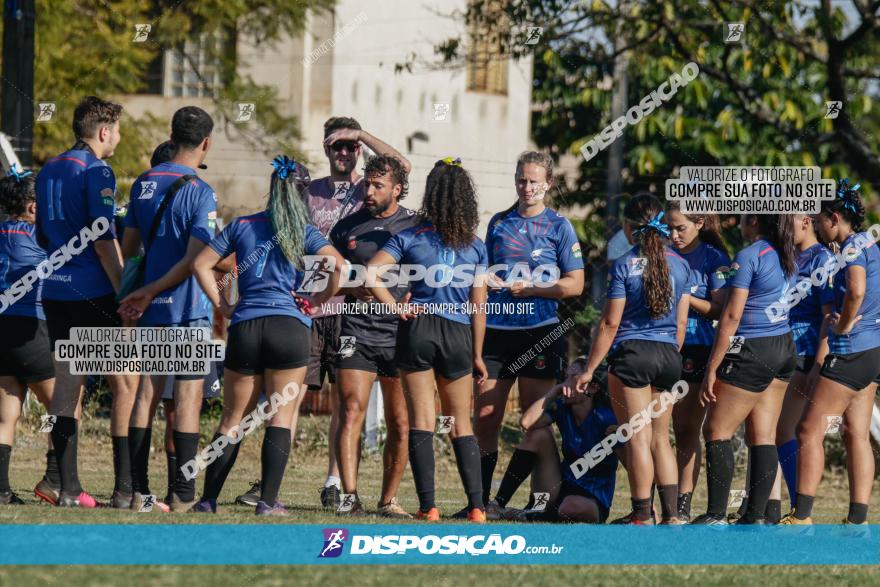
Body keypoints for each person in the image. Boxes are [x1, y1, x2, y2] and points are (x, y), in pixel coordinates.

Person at [236, 116, 411, 509]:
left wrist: (362, 134)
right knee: (290, 399)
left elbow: (402, 167)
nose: (346, 153)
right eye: (338, 146)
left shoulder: (371, 187)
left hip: (350, 311)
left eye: (352, 147)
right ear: (326, 149)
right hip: (308, 309)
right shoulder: (308, 191)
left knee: (343, 404)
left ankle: (333, 483)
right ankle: (270, 485)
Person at [190, 155, 344, 515]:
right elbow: (341, 265)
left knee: (231, 420)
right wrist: (317, 299)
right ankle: (267, 502)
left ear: (272, 189)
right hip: (289, 327)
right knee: (280, 418)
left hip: (245, 326)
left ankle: (208, 500)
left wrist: (224, 305)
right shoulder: (305, 231)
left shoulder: (243, 224)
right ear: (301, 195)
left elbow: (201, 264)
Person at [367, 158, 489, 521]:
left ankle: (429, 507)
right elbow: (478, 306)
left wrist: (394, 308)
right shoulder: (476, 246)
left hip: (418, 328)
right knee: (460, 423)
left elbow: (373, 273)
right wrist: (478, 355)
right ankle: (478, 508)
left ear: (431, 196)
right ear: (465, 198)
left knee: (421, 420)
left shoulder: (409, 236)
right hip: (457, 334)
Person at [35, 96, 137, 508]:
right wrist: (122, 292)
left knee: (67, 387)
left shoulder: (48, 169)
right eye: (117, 131)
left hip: (56, 292)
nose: (117, 138)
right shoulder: (97, 170)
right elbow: (103, 238)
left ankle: (68, 489)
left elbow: (43, 235)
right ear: (103, 131)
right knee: (125, 383)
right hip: (94, 292)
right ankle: (125, 488)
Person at [474, 151, 584, 513]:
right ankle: (479, 503)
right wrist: (487, 281)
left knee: (535, 420)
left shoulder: (559, 226)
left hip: (540, 333)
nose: (527, 186)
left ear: (548, 184)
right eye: (522, 179)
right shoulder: (499, 223)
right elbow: (485, 273)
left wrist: (534, 289)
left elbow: (575, 285)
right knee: (486, 419)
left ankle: (540, 505)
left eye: (535, 180)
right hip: (497, 330)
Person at [119, 107, 217, 512]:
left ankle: (137, 493)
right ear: (206, 143)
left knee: (146, 394)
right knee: (189, 400)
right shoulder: (201, 190)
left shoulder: (143, 182)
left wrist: (142, 293)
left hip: (151, 309)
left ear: (172, 135)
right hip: (189, 308)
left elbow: (126, 251)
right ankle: (182, 495)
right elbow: (196, 261)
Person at [575, 194, 692, 525]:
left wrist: (589, 369)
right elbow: (681, 325)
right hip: (670, 356)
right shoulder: (682, 265)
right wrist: (669, 355)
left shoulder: (625, 264)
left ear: (629, 227)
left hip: (633, 355)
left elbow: (610, 324)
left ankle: (642, 514)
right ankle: (673, 515)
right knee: (661, 438)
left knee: (637, 436)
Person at [782, 180, 880, 525]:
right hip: (872, 353)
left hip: (850, 352)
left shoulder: (852, 246)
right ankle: (857, 522)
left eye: (820, 219)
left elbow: (856, 289)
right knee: (856, 433)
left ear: (834, 218)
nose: (817, 225)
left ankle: (801, 517)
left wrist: (844, 325)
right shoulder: (869, 243)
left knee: (808, 430)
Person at [692, 214, 798, 525]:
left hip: (752, 347)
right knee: (763, 433)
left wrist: (712, 368)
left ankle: (715, 516)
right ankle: (756, 518)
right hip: (783, 345)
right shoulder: (787, 251)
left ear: (753, 220)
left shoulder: (749, 255)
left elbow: (731, 316)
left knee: (716, 430)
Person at [729, 214, 835, 523]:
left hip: (803, 353)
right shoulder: (784, 254)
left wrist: (819, 364)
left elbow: (829, 316)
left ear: (805, 221)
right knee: (766, 431)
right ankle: (768, 508)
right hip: (780, 351)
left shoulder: (821, 258)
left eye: (785, 222)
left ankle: (799, 513)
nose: (779, 228)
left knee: (783, 431)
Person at [329, 155, 418, 517]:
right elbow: (319, 280)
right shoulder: (346, 228)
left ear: (397, 189)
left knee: (400, 423)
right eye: (367, 183)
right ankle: (350, 498)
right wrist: (351, 287)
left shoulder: (415, 226)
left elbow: (436, 269)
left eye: (377, 185)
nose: (369, 190)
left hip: (401, 335)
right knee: (350, 412)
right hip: (357, 332)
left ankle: (388, 500)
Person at [487, 357, 619, 523]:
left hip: (591, 499)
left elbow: (633, 461)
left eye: (574, 378)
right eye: (566, 377)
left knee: (570, 507)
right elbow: (526, 423)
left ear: (592, 388)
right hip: (559, 488)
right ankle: (499, 503)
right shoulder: (563, 407)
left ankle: (530, 515)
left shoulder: (607, 419)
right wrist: (553, 391)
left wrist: (645, 507)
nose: (566, 383)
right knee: (538, 435)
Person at [664, 203, 730, 522]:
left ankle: (682, 505)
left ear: (699, 222)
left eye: (681, 228)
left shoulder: (715, 259)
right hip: (661, 347)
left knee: (687, 429)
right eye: (669, 228)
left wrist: (687, 301)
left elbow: (720, 309)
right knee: (655, 429)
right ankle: (653, 502)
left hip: (696, 349)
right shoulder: (661, 253)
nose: (674, 235)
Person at [0, 167, 60, 504]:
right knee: (64, 404)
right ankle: (54, 479)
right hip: (31, 328)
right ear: (34, 207)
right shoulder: (41, 237)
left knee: (6, 414)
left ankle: (1, 490)